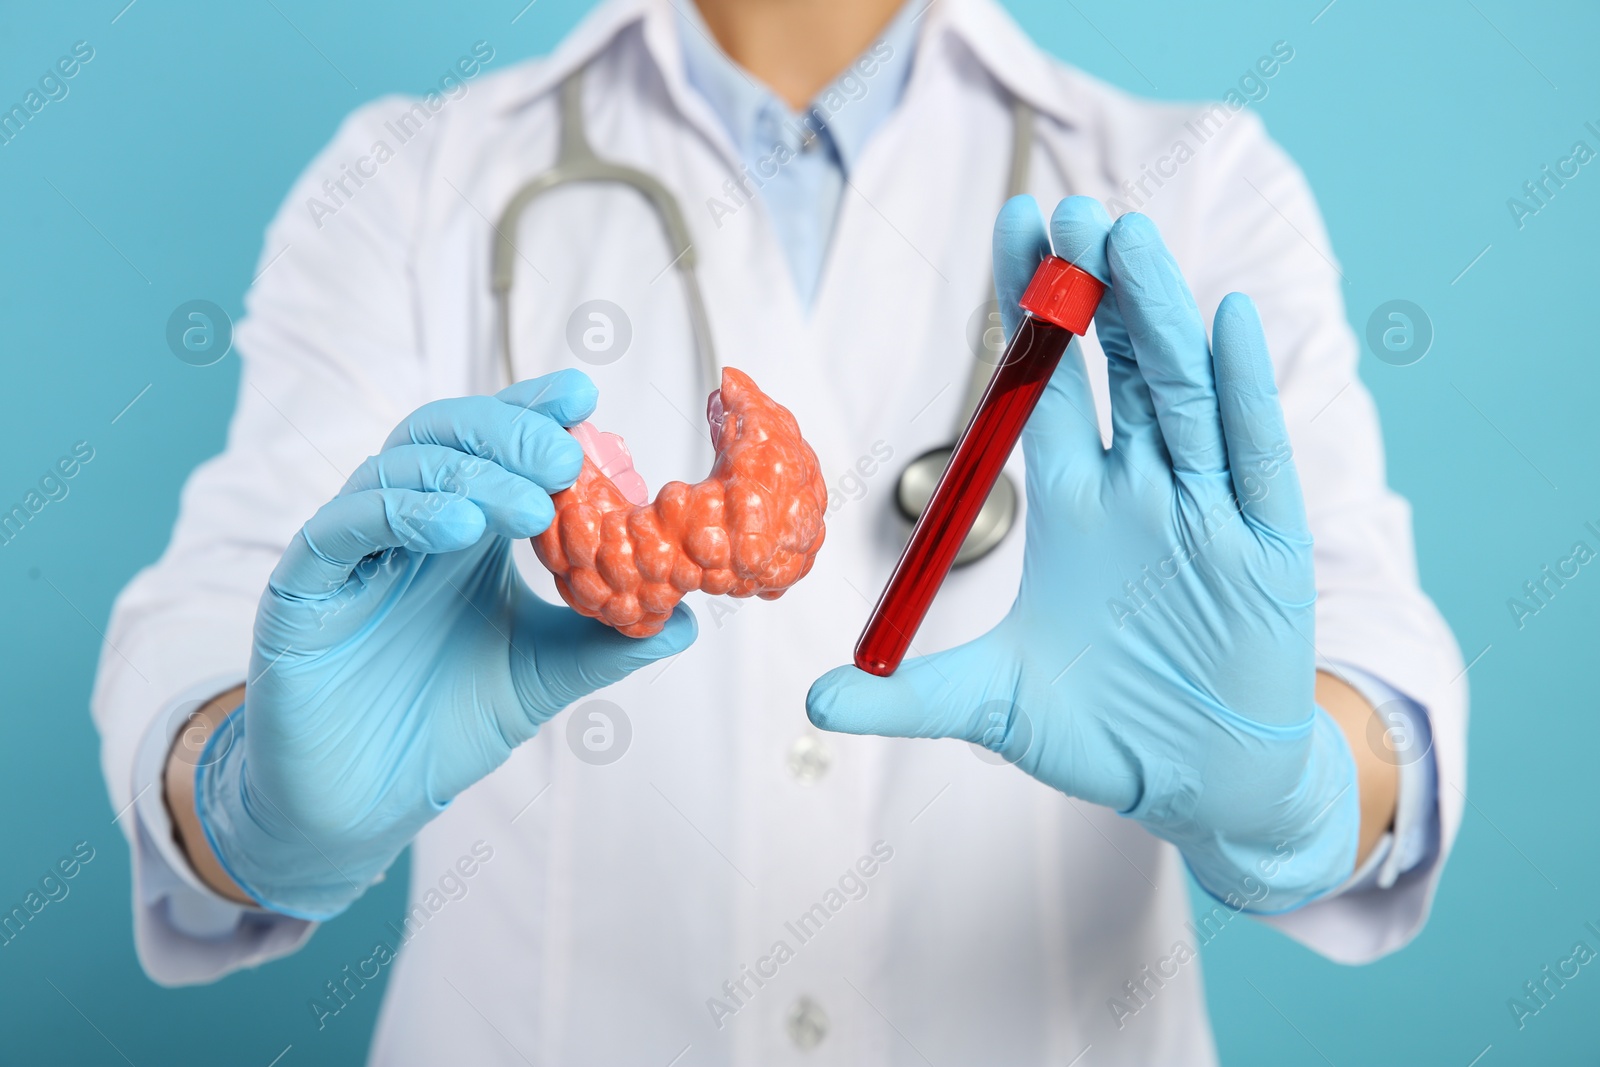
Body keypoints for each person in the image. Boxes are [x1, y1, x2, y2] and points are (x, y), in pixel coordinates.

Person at [91, 0, 1465, 1062]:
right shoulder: (409, 181)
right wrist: (257, 801)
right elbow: (224, 610)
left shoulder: (1196, 181)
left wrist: (1298, 787)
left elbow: (1368, 648)